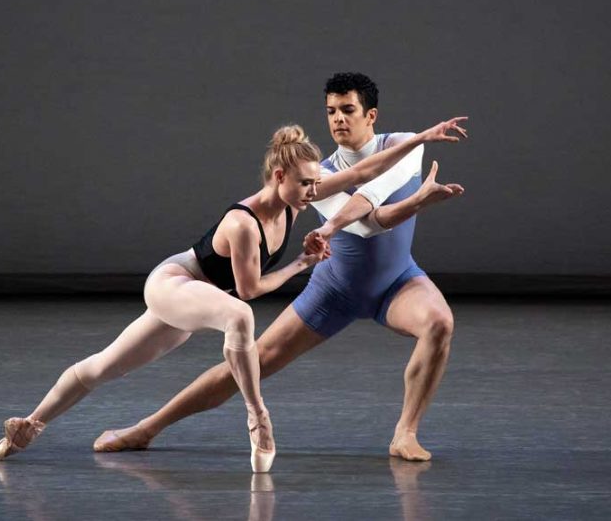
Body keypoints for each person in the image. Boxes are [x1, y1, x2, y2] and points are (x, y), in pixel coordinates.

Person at [0, 121, 442, 472]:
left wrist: (422, 137)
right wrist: (303, 264)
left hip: (197, 301)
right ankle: (258, 418)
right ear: (279, 175)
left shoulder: (295, 198)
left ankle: (29, 425)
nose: (313, 192)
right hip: (174, 284)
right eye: (305, 184)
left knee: (102, 366)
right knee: (241, 316)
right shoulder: (245, 222)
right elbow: (251, 290)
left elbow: (366, 170)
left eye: (314, 184)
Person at [94, 72, 467, 462]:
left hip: (397, 282)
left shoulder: (406, 144)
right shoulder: (313, 177)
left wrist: (417, 195)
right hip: (335, 290)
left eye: (348, 110)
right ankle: (146, 428)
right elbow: (372, 222)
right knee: (248, 364)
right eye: (331, 111)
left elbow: (374, 187)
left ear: (371, 115)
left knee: (439, 323)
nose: (338, 118)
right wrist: (418, 202)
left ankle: (405, 434)